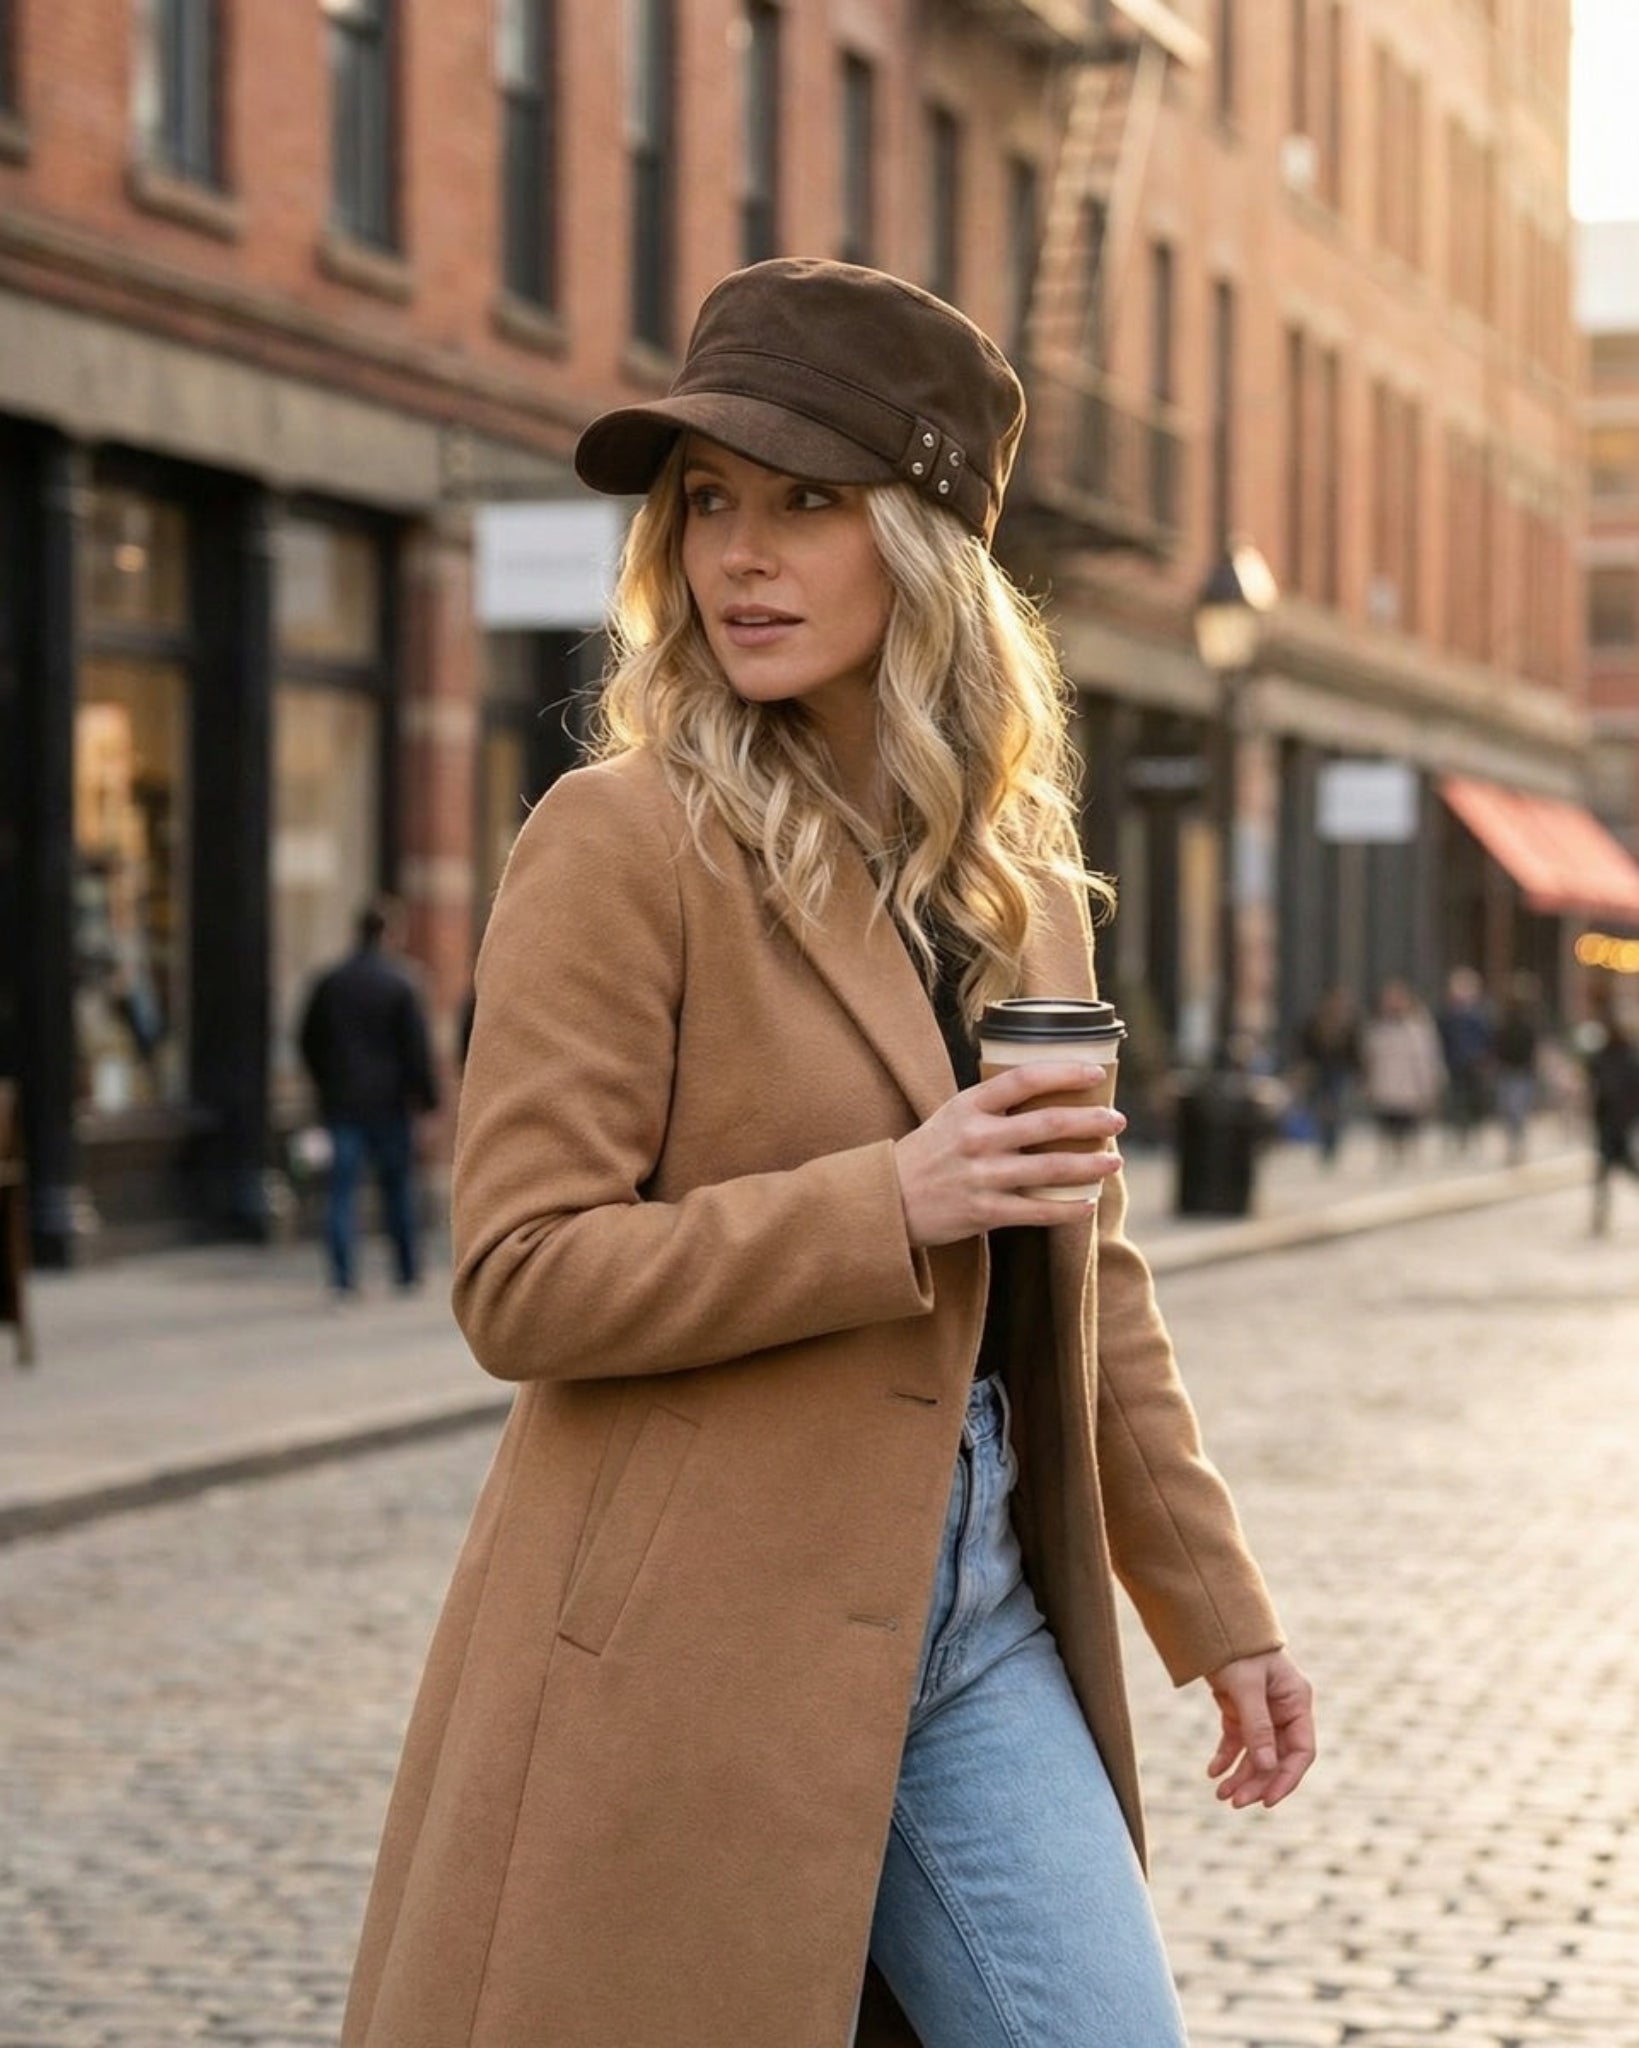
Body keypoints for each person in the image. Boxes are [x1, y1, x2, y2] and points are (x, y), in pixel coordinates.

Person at [340, 259, 1316, 2048]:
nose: (739, 555)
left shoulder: (1020, 890)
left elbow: (1084, 1266)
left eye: (804, 502)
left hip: (979, 1612)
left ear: (923, 546)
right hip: (681, 1632)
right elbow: (517, 1275)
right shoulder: (619, 840)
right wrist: (889, 1199)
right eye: (708, 501)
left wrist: (1215, 1607)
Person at [297, 899, 440, 1297]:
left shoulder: (331, 982)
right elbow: (416, 1050)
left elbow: (308, 1040)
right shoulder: (401, 983)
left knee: (342, 1192)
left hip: (343, 1102)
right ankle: (406, 1270)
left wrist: (324, 1084)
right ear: (390, 935)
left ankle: (343, 1277)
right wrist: (426, 1102)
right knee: (397, 1188)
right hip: (390, 1103)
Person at [1361, 978, 1445, 1164]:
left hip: (1409, 1090)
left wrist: (1430, 1086)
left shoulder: (1418, 1030)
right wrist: (1367, 1083)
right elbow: (1369, 1059)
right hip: (1385, 1088)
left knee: (1409, 1127)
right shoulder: (1377, 1030)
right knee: (1388, 1127)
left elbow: (1427, 1060)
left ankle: (1407, 1157)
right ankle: (1390, 1157)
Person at [1296, 985, 1362, 1166]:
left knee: (1335, 1107)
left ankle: (1332, 1144)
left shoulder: (1348, 1024)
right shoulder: (1315, 1023)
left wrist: (1358, 1072)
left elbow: (1354, 1051)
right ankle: (1324, 1143)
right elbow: (1305, 1047)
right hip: (1318, 1071)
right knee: (1321, 1108)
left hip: (1339, 1071)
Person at [1585, 1014, 1639, 1236]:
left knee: (1615, 1168)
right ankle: (1599, 1214)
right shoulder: (1608, 1058)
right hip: (1610, 1123)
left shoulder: (1628, 1059)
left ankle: (1599, 1214)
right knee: (1609, 1170)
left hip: (1616, 1123)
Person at [1435, 965, 1494, 1152]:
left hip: (1474, 1064)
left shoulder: (1479, 1015)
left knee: (1474, 1100)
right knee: (1456, 1101)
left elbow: (1487, 1038)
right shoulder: (1447, 1015)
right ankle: (1457, 1135)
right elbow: (1441, 1040)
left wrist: (1484, 1058)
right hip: (1454, 1064)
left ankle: (1473, 1133)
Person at [1493, 970, 1542, 1164]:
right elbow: (1499, 1042)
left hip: (1522, 1071)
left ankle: (1518, 1143)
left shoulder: (1530, 1020)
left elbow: (1533, 1045)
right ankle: (1513, 1143)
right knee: (1509, 1109)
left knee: (1517, 1109)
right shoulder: (1505, 1020)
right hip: (1509, 1070)